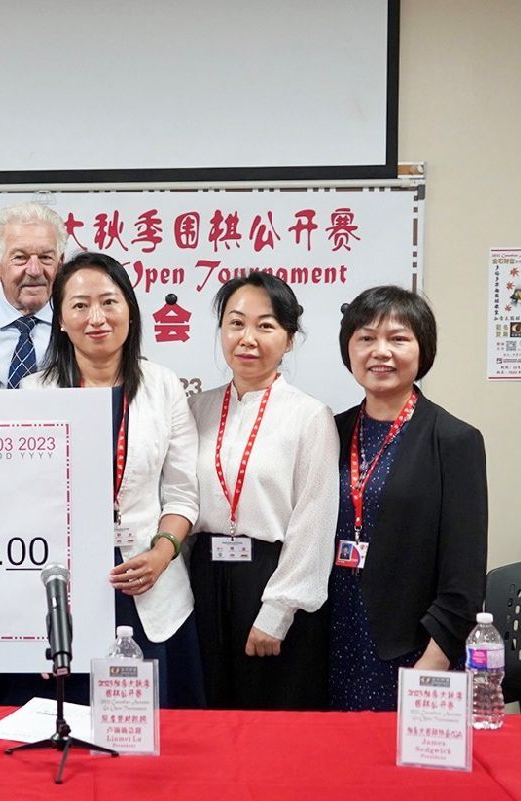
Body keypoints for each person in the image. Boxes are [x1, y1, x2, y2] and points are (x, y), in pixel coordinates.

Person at [31, 251, 204, 709]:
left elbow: (183, 493)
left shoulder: (163, 386)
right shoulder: (34, 393)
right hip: (66, 588)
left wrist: (163, 553)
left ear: (130, 309)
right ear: (60, 320)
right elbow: (26, 505)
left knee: (150, 729)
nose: (97, 318)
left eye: (109, 302)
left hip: (148, 581)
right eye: (79, 305)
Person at [328, 285, 487, 711]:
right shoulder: (330, 431)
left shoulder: (454, 440)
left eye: (398, 338)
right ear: (348, 350)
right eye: (366, 338)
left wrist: (435, 658)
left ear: (422, 350)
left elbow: (465, 574)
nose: (380, 351)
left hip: (412, 646)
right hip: (331, 637)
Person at [188, 274, 337, 710]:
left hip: (270, 577)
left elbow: (314, 521)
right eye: (235, 323)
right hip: (204, 578)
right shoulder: (196, 409)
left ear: (289, 340)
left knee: (270, 714)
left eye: (265, 326)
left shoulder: (310, 416)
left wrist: (277, 612)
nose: (247, 338)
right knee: (206, 710)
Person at [0, 202, 65, 388]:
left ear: (60, 264)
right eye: (20, 257)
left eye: (45, 257)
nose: (35, 270)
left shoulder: (78, 331)